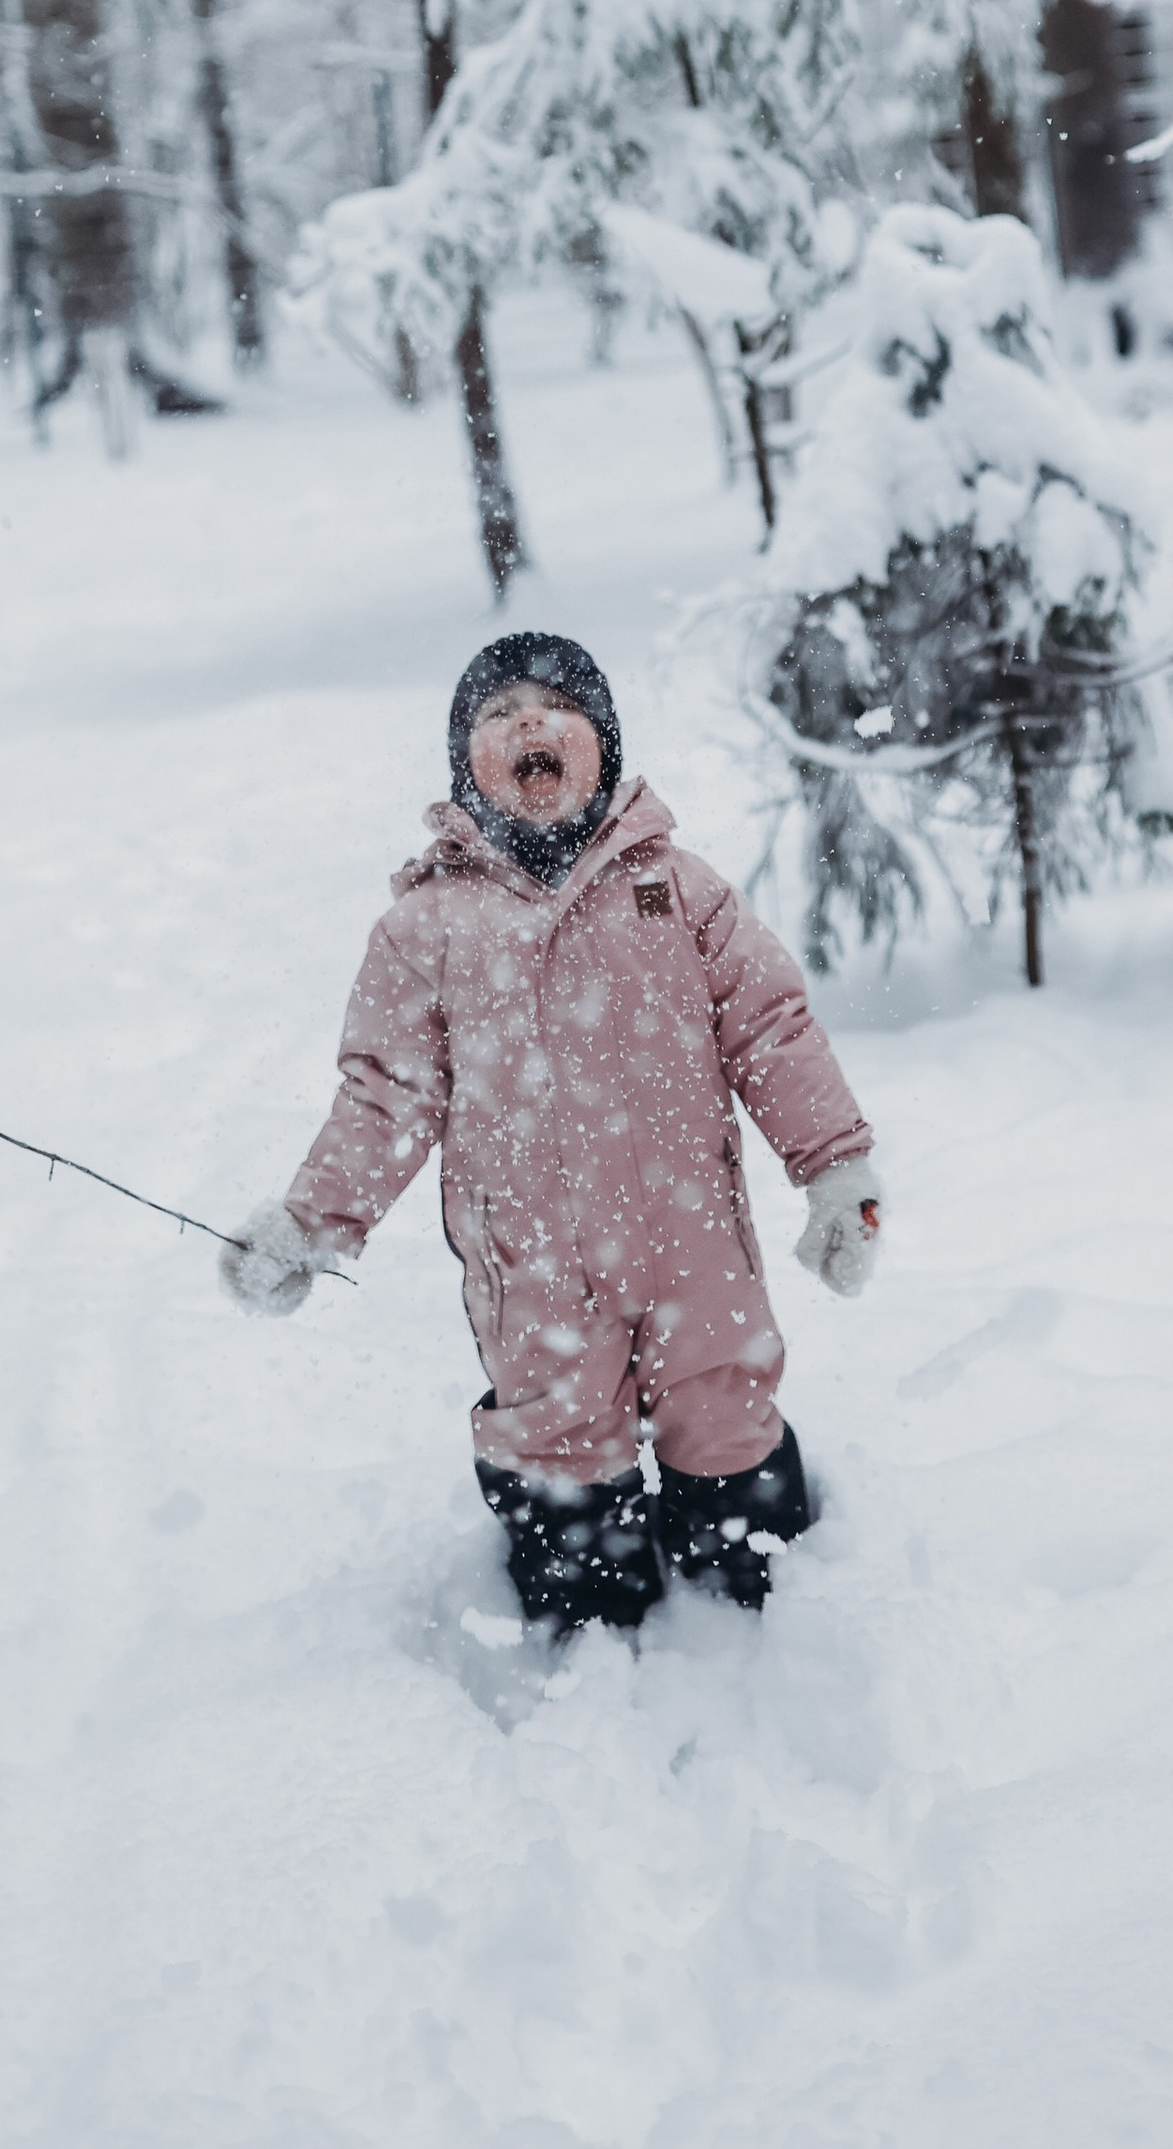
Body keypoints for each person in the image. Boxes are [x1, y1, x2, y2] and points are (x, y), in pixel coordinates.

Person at [221, 631, 884, 1632]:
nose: (529, 721)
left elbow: (770, 1026)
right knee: (558, 1429)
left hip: (691, 1238)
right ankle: (589, 1616)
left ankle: (756, 1602)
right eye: (497, 715)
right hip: (530, 1260)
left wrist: (835, 1170)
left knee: (722, 1403)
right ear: (466, 768)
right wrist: (313, 1222)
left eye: (557, 707)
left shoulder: (678, 887)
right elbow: (383, 1094)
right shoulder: (426, 929)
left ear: (603, 749)